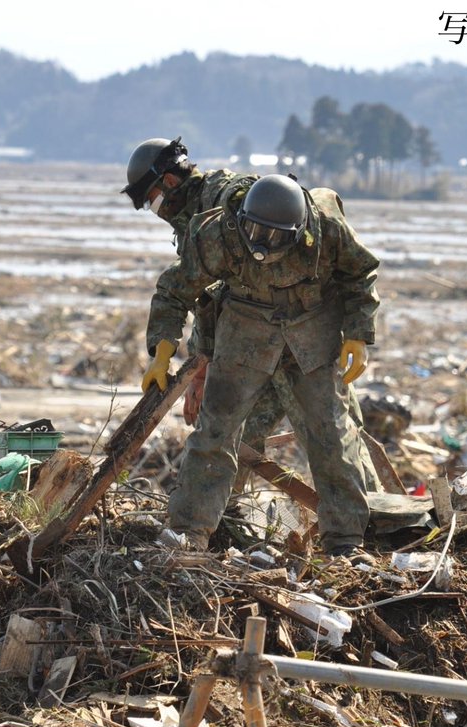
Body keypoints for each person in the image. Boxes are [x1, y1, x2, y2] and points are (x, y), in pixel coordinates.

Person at [141, 171, 380, 558]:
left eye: (275, 237)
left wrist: (358, 332)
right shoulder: (218, 233)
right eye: (256, 232)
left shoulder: (328, 229)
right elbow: (175, 290)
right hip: (245, 327)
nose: (263, 245)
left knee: (330, 435)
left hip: (312, 325)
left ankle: (346, 539)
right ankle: (190, 531)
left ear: (300, 229)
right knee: (215, 431)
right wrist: (162, 350)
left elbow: (360, 274)